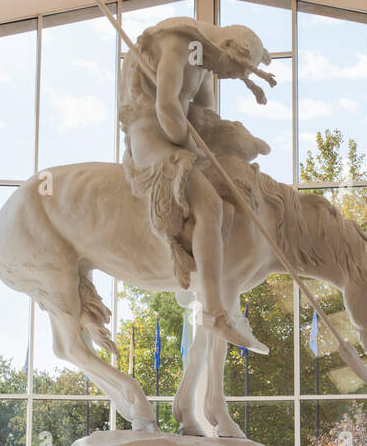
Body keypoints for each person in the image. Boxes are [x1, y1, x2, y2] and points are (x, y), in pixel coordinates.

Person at [118, 18, 276, 354]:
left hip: (183, 136)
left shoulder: (203, 62)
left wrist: (228, 139)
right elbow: (166, 108)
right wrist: (194, 150)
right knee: (209, 205)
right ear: (228, 51)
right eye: (230, 71)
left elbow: (203, 112)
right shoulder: (177, 45)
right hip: (152, 135)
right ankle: (214, 311)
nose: (222, 76)